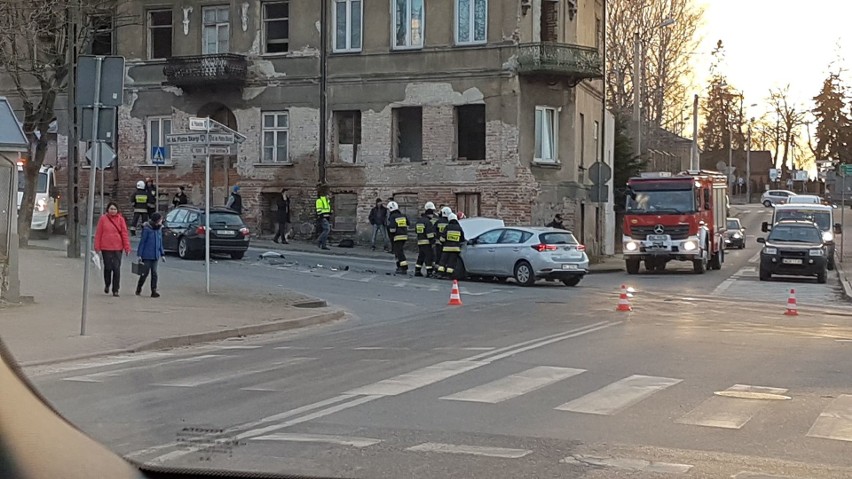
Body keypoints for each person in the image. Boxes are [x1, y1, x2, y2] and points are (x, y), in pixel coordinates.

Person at [94, 202, 131, 297]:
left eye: (115, 209)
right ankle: (107, 284)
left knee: (116, 269)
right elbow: (98, 233)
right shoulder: (103, 219)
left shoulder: (121, 220)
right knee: (108, 268)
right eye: (111, 209)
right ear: (108, 209)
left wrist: (127, 247)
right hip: (106, 247)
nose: (113, 211)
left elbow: (124, 234)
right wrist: (97, 247)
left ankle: (116, 290)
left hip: (118, 248)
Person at [136, 212, 165, 298]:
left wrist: (162, 254)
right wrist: (140, 255)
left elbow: (160, 242)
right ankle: (139, 287)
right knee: (145, 273)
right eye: (160, 220)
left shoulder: (159, 229)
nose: (161, 221)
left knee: (154, 273)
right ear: (156, 220)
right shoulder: (147, 229)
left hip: (155, 255)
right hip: (147, 255)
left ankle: (154, 290)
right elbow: (142, 242)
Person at [414, 202, 436, 277]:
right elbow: (429, 233)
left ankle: (417, 271)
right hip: (427, 242)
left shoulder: (419, 221)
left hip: (420, 242)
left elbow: (416, 231)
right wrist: (433, 241)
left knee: (421, 256)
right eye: (432, 214)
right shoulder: (428, 222)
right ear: (429, 214)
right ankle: (429, 272)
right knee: (428, 257)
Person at [386, 201, 409, 274]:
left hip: (397, 237)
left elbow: (392, 228)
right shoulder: (403, 215)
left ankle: (403, 267)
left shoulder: (392, 216)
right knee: (399, 251)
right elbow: (408, 224)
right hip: (404, 236)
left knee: (399, 252)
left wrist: (391, 235)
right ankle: (399, 266)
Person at [440, 213, 465, 279]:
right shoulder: (459, 228)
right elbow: (462, 239)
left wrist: (442, 243)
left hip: (446, 248)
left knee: (443, 262)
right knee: (451, 263)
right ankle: (449, 275)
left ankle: (440, 274)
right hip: (455, 249)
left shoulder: (447, 227)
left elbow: (442, 238)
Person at [434, 206, 452, 277]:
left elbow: (434, 231)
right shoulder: (449, 222)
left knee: (438, 258)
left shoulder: (438, 221)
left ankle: (437, 271)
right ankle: (445, 272)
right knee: (446, 258)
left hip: (439, 243)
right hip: (447, 243)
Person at [315, 185, 332, 250]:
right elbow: (319, 211)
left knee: (326, 230)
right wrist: (323, 215)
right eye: (329, 194)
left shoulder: (327, 201)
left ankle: (323, 245)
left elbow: (327, 209)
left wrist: (330, 213)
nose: (330, 195)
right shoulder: (320, 200)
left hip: (326, 217)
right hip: (323, 218)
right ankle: (319, 240)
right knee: (327, 229)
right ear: (326, 194)